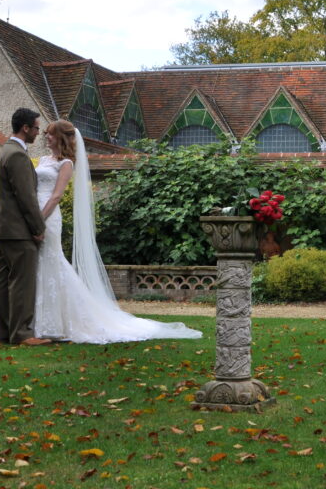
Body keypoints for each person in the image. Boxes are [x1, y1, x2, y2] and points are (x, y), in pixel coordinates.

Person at [32, 120, 202, 343]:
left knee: (53, 262)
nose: (46, 137)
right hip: (35, 211)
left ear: (61, 137)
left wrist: (39, 221)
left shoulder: (66, 164)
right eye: (45, 133)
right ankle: (40, 321)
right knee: (40, 264)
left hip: (48, 216)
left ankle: (60, 323)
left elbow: (56, 196)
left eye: (50, 134)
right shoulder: (44, 160)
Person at [0, 108, 51, 346]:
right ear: (25, 128)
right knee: (22, 282)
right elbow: (26, 197)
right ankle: (22, 334)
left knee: (4, 280)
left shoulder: (5, 151)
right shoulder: (17, 155)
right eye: (36, 128)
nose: (38, 132)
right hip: (17, 230)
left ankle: (2, 334)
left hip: (3, 228)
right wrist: (38, 227)